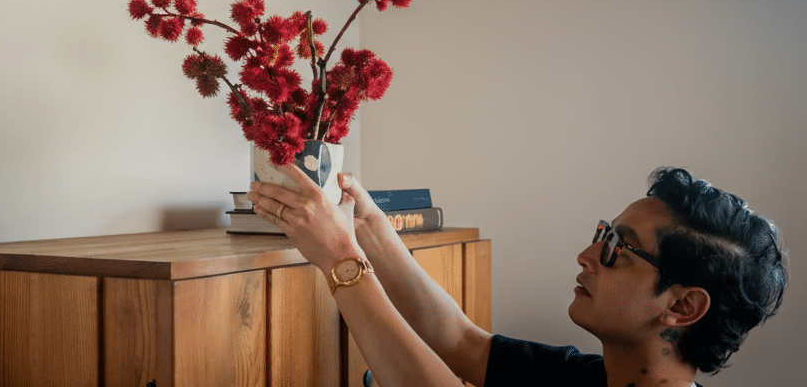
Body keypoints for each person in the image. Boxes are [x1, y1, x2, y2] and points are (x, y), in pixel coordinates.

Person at [247, 165, 786, 387]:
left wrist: (341, 258)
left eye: (618, 249)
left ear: (683, 308)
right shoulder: (590, 377)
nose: (587, 255)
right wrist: (370, 227)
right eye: (603, 233)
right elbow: (461, 342)